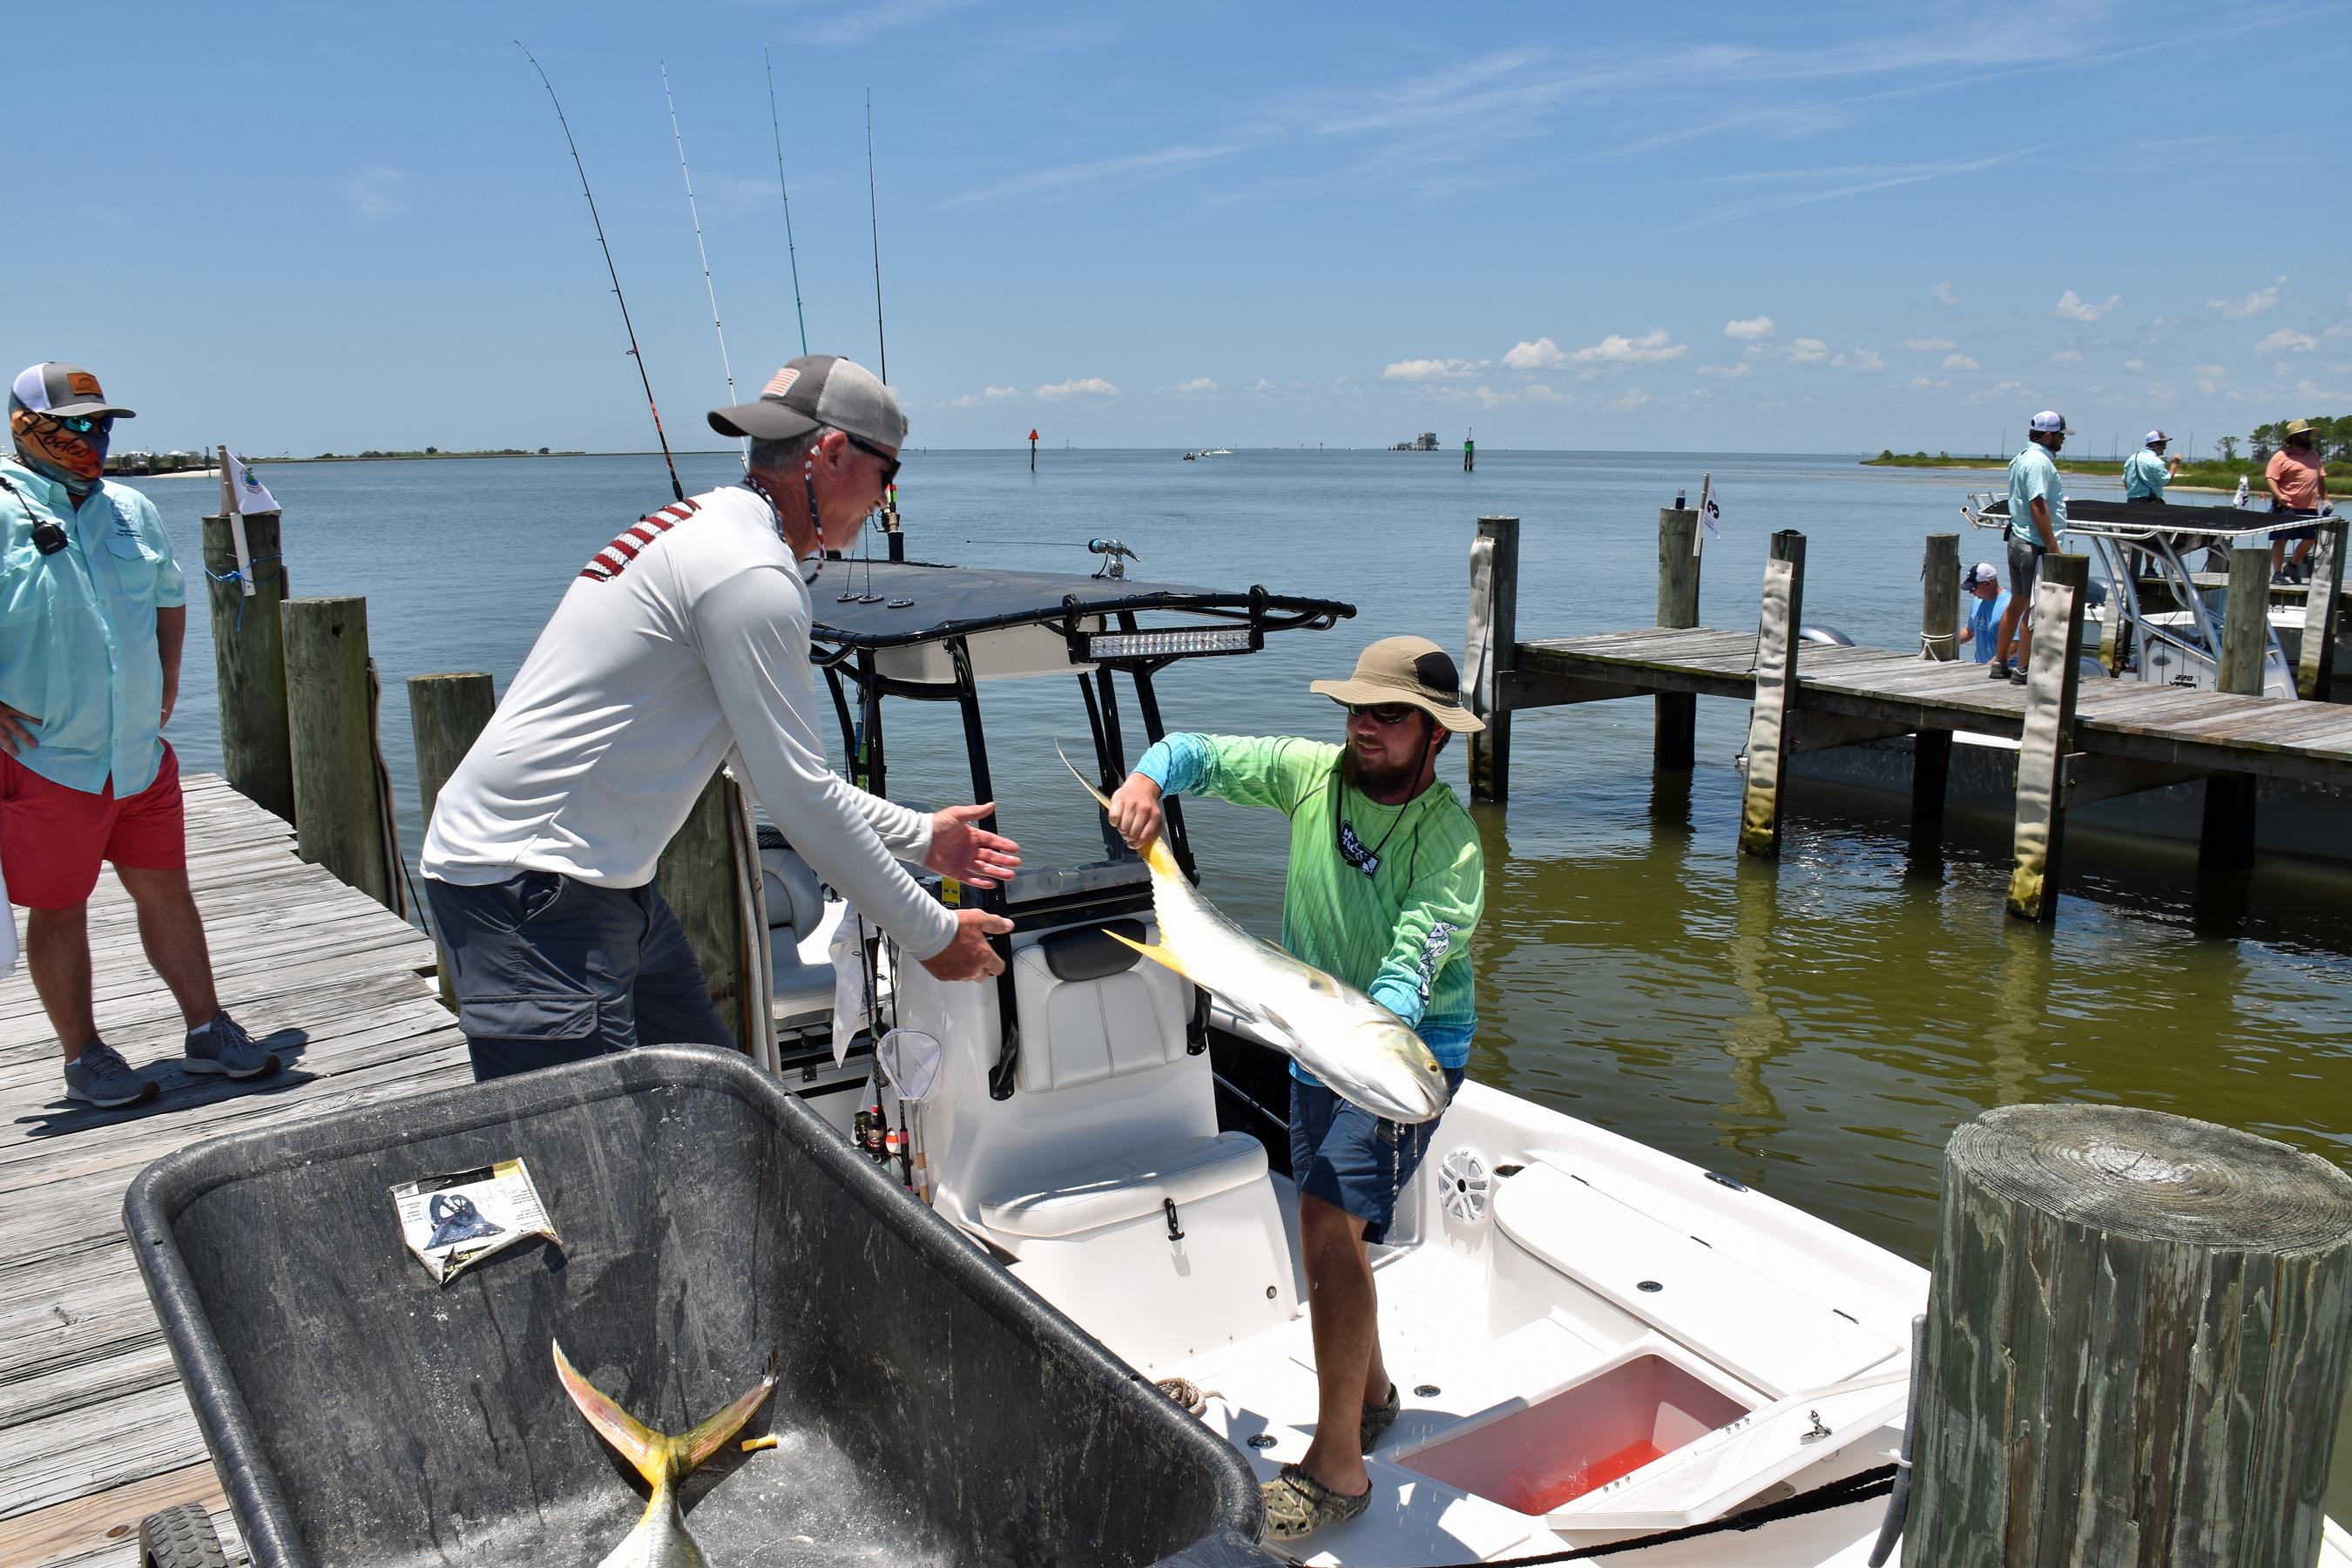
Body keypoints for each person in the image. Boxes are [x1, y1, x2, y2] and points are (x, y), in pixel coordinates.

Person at [421, 355, 1017, 1081]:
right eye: (888, 475)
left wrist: (924, 839)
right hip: (530, 890)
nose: (888, 499)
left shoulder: (713, 534)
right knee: (580, 1159)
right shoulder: (750, 575)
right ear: (832, 454)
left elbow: (764, 774)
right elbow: (802, 799)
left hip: (599, 882)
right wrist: (931, 933)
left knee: (710, 1098)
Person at [1102, 636, 1484, 1541]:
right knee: (1335, 1231)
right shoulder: (1312, 776)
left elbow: (1412, 964)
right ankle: (1377, 1393)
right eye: (1357, 707)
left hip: (1396, 1059)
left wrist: (1354, 1033)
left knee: (1322, 1231)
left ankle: (1338, 1469)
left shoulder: (1451, 846)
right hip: (1310, 1037)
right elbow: (1199, 752)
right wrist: (1150, 780)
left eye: (1389, 714)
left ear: (1436, 734)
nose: (1365, 726)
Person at [0, 362, 278, 1108]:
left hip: (138, 757)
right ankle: (83, 1055)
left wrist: (168, 675)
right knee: (59, 909)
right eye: (76, 424)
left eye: (103, 424)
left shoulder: (129, 508)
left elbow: (168, 597)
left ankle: (208, 1029)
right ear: (26, 425)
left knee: (167, 891)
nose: (94, 437)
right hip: (48, 758)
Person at [1994, 410, 2068, 685]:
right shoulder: (2039, 462)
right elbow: (2038, 504)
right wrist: (2052, 545)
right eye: (2060, 435)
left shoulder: (2021, 458)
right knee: (2033, 607)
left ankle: (1999, 662)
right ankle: (2023, 668)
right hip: (2033, 543)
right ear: (2048, 435)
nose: (2062, 440)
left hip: (2017, 538)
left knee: (2018, 601)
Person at [2267, 419, 2330, 585]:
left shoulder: (2314, 455)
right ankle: (2277, 573)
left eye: (2308, 433)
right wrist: (2279, 495)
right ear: (2294, 437)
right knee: (2281, 540)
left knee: (2310, 539)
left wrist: (2326, 499)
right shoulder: (2281, 456)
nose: (2307, 436)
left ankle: (2293, 565)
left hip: (2309, 507)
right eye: (2303, 433)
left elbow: (2321, 479)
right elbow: (2271, 479)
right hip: (2286, 506)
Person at [1954, 562, 2011, 663]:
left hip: (2004, 670)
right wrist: (1946, 643)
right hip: (1980, 666)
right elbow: (1970, 631)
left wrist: (1988, 668)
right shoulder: (1977, 601)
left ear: (1988, 584)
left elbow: (2014, 646)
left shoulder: (2009, 605)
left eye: (1973, 588)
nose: (1971, 592)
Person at [2123, 429, 2183, 504]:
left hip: (2131, 501)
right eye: (2163, 444)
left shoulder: (2132, 458)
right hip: (2149, 502)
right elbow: (2165, 481)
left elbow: (2125, 481)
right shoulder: (2155, 461)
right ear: (2154, 445)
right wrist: (2175, 463)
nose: (2165, 447)